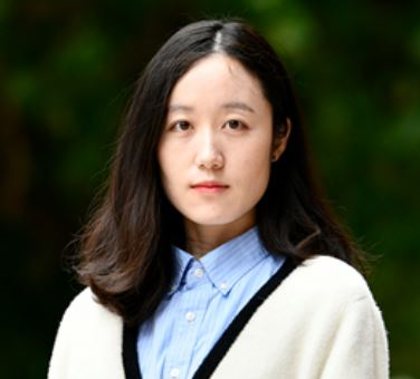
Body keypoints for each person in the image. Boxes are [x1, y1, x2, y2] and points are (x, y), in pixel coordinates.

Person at [48, 20, 389, 379]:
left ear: (279, 138)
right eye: (182, 125)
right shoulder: (89, 319)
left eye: (234, 124)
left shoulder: (332, 302)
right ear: (151, 143)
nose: (209, 156)